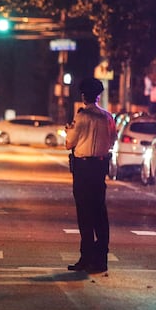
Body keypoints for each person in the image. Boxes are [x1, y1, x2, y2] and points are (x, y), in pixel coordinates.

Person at [65, 77, 117, 274]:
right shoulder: (108, 117)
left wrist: (69, 130)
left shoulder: (82, 117)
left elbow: (69, 143)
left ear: (83, 95)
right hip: (100, 166)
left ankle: (85, 257)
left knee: (84, 212)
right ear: (99, 95)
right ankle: (101, 258)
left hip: (83, 167)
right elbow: (112, 140)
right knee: (100, 213)